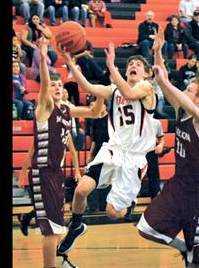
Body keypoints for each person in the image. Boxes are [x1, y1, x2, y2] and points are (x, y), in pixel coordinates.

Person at [56, 42, 157, 256]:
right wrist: (70, 64)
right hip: (113, 150)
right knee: (81, 189)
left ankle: (128, 203)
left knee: (113, 213)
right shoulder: (114, 90)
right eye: (131, 63)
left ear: (147, 74)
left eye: (138, 64)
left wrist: (111, 67)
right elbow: (89, 87)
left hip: (134, 158)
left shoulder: (147, 89)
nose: (133, 65)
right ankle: (76, 225)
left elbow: (130, 93)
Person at [17, 37, 105, 268]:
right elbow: (45, 85)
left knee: (56, 226)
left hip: (56, 173)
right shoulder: (45, 107)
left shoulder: (67, 109)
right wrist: (44, 59)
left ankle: (58, 260)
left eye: (60, 85)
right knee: (50, 229)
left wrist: (102, 90)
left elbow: (95, 113)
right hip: (44, 171)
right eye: (54, 85)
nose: (57, 87)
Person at [136, 29, 199, 267]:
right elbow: (163, 80)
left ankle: (193, 252)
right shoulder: (182, 113)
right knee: (146, 227)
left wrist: (165, 81)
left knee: (198, 259)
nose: (184, 91)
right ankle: (185, 249)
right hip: (179, 185)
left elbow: (168, 84)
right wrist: (158, 52)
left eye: (189, 90)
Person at [84, 98, 111, 212]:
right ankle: (92, 205)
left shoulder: (111, 119)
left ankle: (103, 205)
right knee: (92, 177)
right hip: (97, 153)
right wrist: (90, 155)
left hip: (108, 153)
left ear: (105, 106)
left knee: (106, 179)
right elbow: (94, 139)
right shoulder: (95, 120)